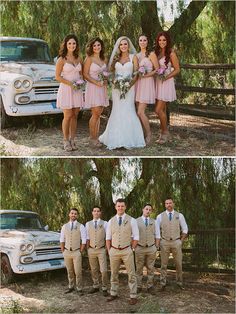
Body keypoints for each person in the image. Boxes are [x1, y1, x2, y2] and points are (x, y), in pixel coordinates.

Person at [99, 36, 146, 150]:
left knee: (129, 109)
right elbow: (110, 73)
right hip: (117, 89)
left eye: (125, 44)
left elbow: (136, 74)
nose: (123, 46)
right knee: (117, 110)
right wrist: (114, 82)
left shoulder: (133, 57)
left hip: (129, 88)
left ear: (128, 46)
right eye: (121, 44)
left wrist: (129, 85)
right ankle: (116, 138)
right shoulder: (116, 58)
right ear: (118, 47)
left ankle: (130, 138)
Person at [106, 198, 139, 305]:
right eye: (118, 206)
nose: (120, 208)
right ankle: (113, 293)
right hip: (114, 251)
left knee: (131, 274)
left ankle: (133, 295)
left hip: (127, 251)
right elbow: (108, 238)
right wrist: (109, 250)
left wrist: (131, 249)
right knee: (114, 273)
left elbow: (136, 237)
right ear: (115, 207)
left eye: (122, 206)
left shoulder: (132, 220)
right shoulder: (111, 221)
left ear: (125, 207)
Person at [56, 34, 84, 152]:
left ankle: (73, 139)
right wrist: (70, 84)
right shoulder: (61, 59)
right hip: (66, 89)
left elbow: (81, 74)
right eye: (69, 43)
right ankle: (65, 140)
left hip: (77, 90)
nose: (72, 45)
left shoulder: (79, 58)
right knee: (67, 115)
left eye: (74, 43)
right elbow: (57, 77)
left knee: (75, 115)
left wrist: (80, 82)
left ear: (76, 45)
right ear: (66, 45)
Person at [156, 198, 188, 290]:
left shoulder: (180, 215)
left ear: (173, 204)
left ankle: (179, 283)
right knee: (164, 264)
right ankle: (162, 284)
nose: (168, 205)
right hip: (164, 242)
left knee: (178, 264)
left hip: (176, 241)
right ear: (165, 205)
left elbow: (185, 228)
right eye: (167, 203)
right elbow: (157, 230)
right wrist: (159, 242)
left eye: (170, 203)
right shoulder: (160, 216)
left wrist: (181, 241)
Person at [154, 31, 180, 144]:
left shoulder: (171, 53)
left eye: (164, 40)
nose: (162, 42)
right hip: (159, 83)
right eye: (160, 40)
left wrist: (166, 76)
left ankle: (165, 133)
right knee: (162, 110)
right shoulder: (157, 52)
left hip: (167, 83)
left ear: (167, 41)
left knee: (158, 110)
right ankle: (163, 133)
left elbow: (178, 69)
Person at [83, 37, 109, 147]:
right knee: (95, 113)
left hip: (102, 88)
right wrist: (96, 82)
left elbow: (106, 73)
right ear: (92, 47)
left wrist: (106, 81)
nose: (97, 47)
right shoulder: (89, 59)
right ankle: (92, 138)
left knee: (99, 114)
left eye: (98, 45)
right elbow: (85, 74)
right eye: (94, 45)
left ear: (101, 46)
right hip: (93, 87)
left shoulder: (104, 59)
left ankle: (96, 137)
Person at [135, 35, 159, 144]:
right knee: (138, 111)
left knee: (140, 112)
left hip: (147, 83)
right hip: (138, 84)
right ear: (138, 42)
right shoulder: (137, 55)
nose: (143, 42)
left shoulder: (151, 54)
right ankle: (142, 134)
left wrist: (146, 75)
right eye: (141, 40)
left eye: (144, 40)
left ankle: (149, 134)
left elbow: (157, 69)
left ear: (147, 42)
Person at [60, 207, 87, 294]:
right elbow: (62, 239)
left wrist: (80, 251)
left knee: (78, 271)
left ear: (77, 215)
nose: (73, 215)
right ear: (69, 214)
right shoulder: (64, 226)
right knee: (69, 271)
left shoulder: (81, 226)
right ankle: (71, 286)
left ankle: (79, 288)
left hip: (76, 252)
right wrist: (63, 251)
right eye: (72, 213)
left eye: (75, 214)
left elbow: (84, 240)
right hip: (67, 252)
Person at [85, 206, 109, 296]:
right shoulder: (88, 224)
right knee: (94, 269)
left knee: (104, 270)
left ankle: (104, 287)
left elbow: (107, 237)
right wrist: (87, 249)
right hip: (91, 250)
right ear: (92, 212)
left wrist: (106, 249)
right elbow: (87, 237)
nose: (96, 212)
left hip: (101, 249)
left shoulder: (105, 223)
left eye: (98, 211)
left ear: (100, 213)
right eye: (94, 211)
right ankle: (95, 285)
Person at [136, 204, 159, 295]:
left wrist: (156, 247)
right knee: (139, 268)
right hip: (139, 247)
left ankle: (150, 286)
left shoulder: (155, 221)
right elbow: (133, 235)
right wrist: (134, 247)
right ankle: (138, 286)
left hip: (151, 247)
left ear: (151, 211)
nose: (148, 211)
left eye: (150, 209)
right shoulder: (136, 221)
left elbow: (157, 235)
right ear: (143, 210)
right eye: (146, 209)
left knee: (151, 268)